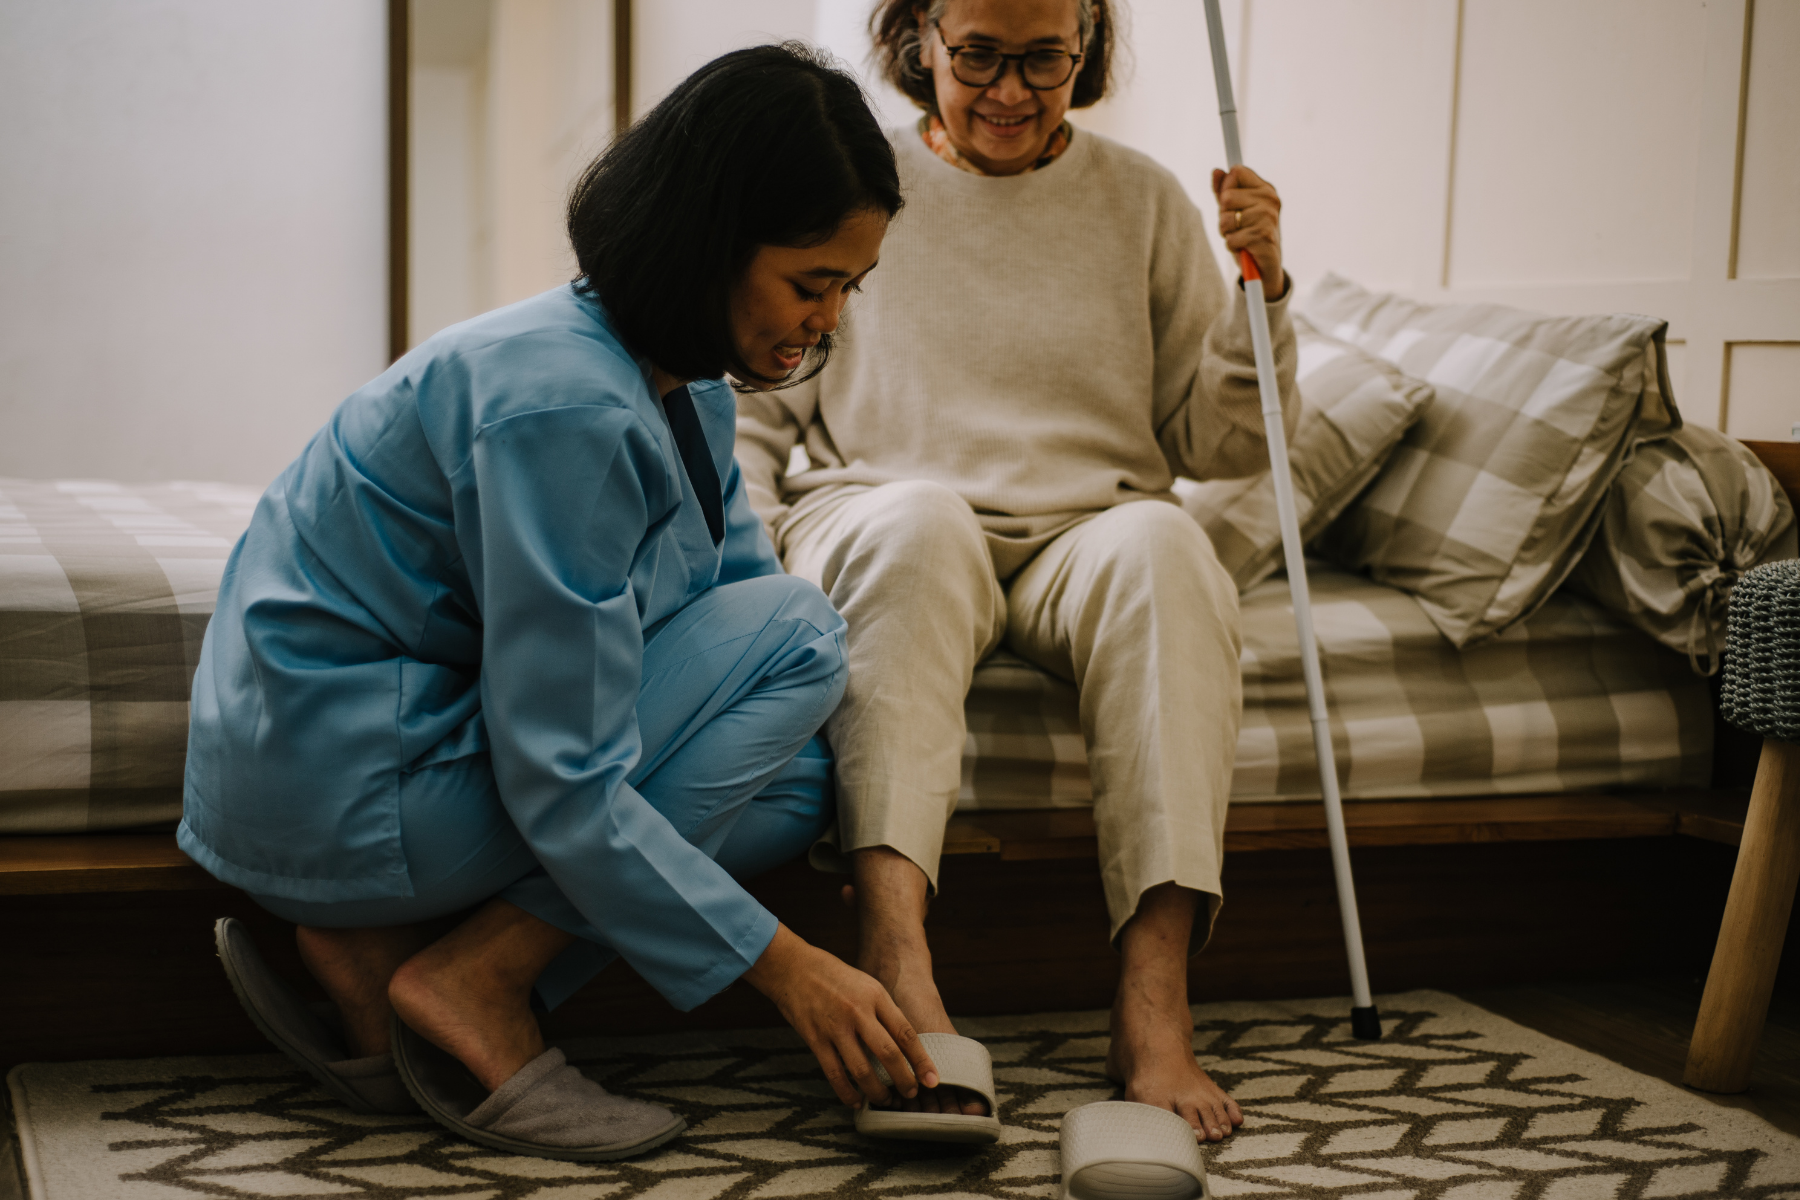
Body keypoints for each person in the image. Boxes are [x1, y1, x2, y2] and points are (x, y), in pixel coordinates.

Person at [181, 43, 936, 1163]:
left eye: (845, 290)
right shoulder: (562, 405)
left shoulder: (679, 395)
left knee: (798, 784)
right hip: (340, 777)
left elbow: (719, 614)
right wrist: (788, 967)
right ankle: (468, 982)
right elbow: (567, 766)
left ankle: (426, 964)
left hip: (362, 765)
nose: (826, 322)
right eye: (810, 282)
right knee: (802, 632)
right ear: (710, 245)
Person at [734, 0, 1299, 1143]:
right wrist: (738, 565)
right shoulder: (861, 180)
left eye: (1043, 57)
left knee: (1170, 544)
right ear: (921, 39)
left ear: (1084, 47)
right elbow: (758, 397)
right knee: (925, 526)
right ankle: (900, 961)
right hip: (884, 505)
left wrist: (1263, 292)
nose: (1008, 89)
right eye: (978, 55)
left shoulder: (1141, 200)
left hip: (1087, 526)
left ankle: (1154, 1007)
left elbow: (1225, 447)